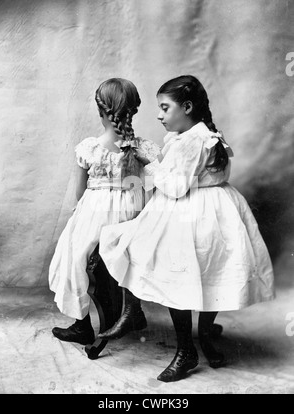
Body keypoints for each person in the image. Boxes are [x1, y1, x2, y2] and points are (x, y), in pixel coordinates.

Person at [98, 75, 275, 382]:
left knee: (177, 274)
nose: (159, 115)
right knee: (205, 273)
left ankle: (187, 349)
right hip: (216, 209)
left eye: (165, 108)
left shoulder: (193, 141)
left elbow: (176, 186)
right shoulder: (204, 134)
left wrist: (149, 162)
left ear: (187, 107)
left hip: (193, 213)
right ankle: (196, 333)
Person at [49, 78, 161, 346]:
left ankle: (82, 325)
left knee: (73, 257)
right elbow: (154, 188)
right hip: (133, 214)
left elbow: (79, 193)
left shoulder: (89, 148)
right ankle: (134, 312)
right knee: (121, 257)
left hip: (96, 215)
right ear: (132, 111)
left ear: (101, 113)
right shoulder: (145, 148)